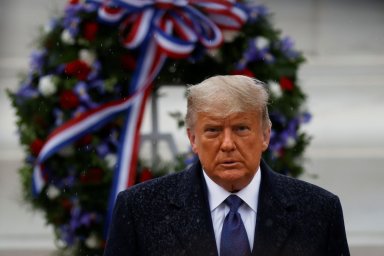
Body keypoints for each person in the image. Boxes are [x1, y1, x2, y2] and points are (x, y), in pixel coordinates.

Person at [104, 75, 350, 256]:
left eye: (241, 128)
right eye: (213, 130)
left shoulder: (318, 211)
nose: (228, 144)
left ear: (265, 135)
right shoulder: (140, 210)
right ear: (192, 139)